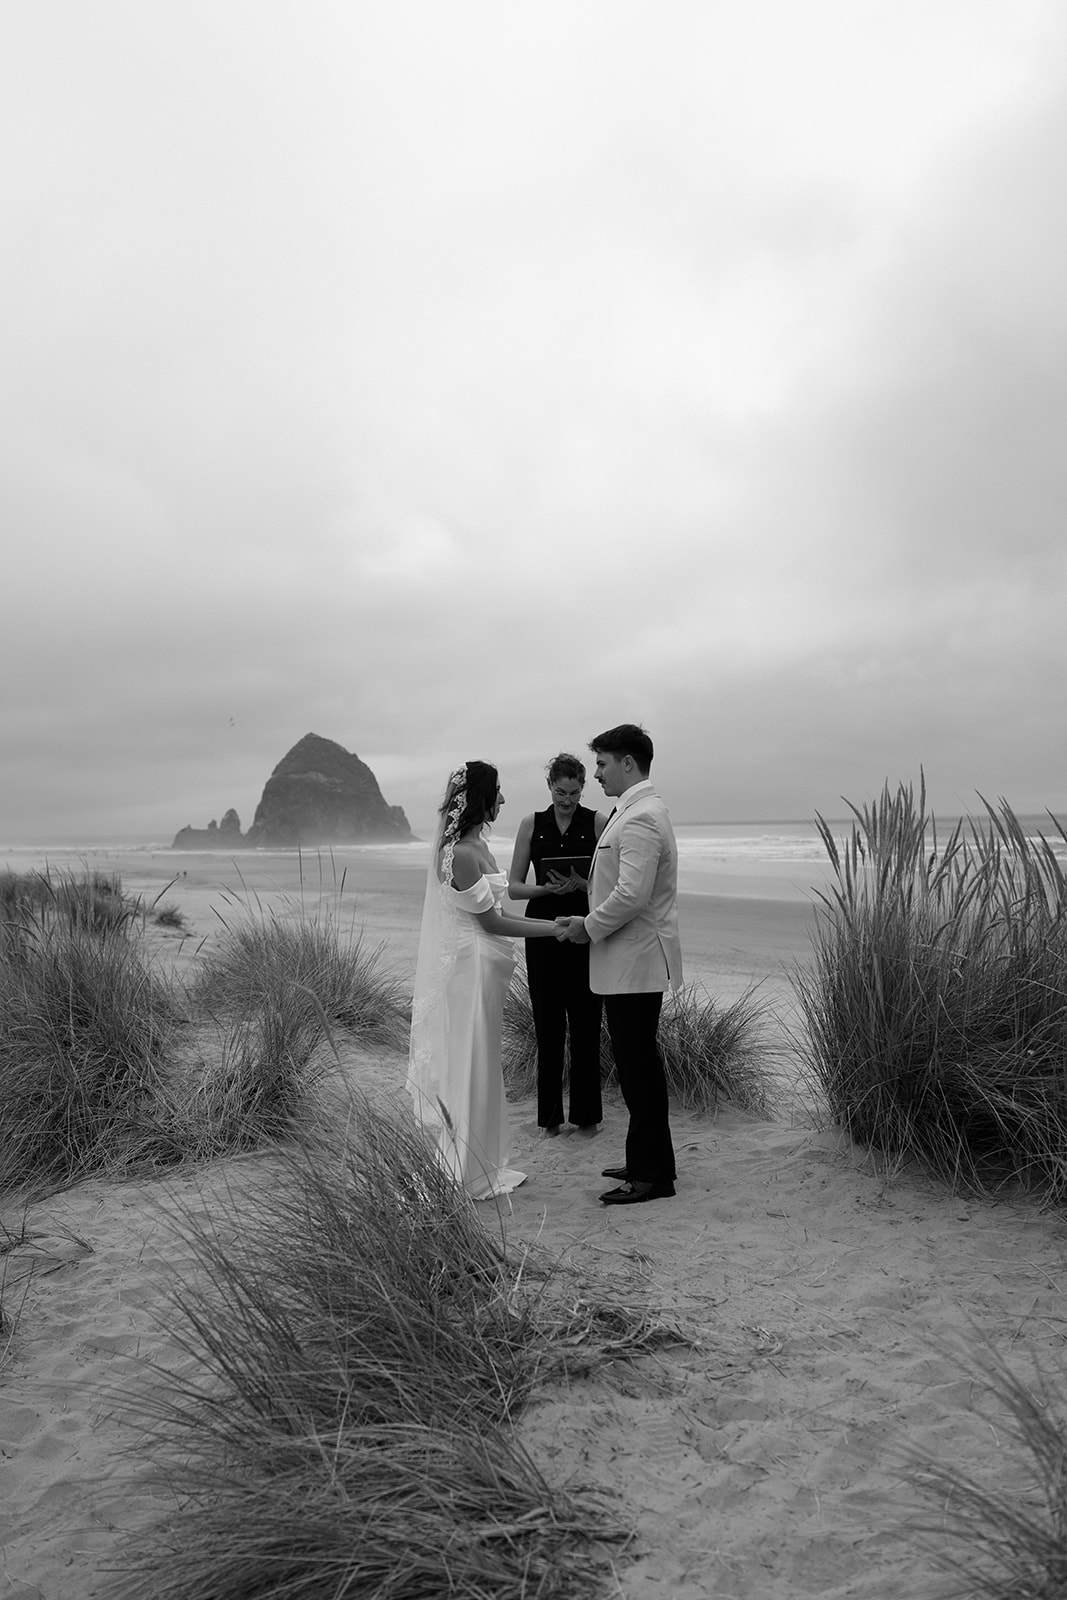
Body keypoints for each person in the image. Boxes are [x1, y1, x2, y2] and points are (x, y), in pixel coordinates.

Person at [407, 760, 559, 1199]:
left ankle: (484, 1163)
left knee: (483, 1058)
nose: (504, 800)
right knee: (471, 1059)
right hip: (471, 968)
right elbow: (491, 923)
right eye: (499, 792)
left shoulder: (477, 848)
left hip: (485, 968)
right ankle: (465, 1169)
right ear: (481, 798)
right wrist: (554, 929)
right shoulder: (461, 855)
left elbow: (498, 911)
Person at [555, 724, 682, 1204]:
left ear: (628, 762)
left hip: (637, 962)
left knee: (638, 1067)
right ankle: (647, 1159)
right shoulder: (629, 812)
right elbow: (614, 886)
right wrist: (584, 912)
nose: (597, 773)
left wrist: (586, 927)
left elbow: (632, 894)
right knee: (635, 1067)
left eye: (602, 764)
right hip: (626, 961)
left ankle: (653, 1176)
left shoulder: (643, 816)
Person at [508, 753, 607, 1136]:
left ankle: (587, 1117)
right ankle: (549, 1120)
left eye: (575, 792)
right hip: (543, 929)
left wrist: (582, 885)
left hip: (584, 928)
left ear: (583, 788)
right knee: (547, 1025)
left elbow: (610, 883)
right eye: (561, 792)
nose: (568, 800)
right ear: (549, 787)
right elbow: (515, 888)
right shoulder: (531, 824)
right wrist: (546, 888)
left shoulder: (598, 821)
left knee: (586, 1023)